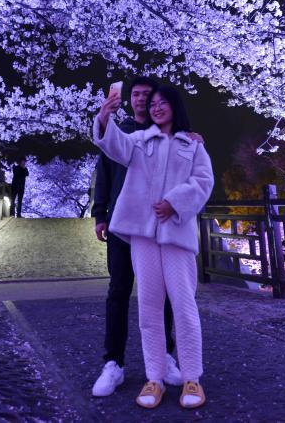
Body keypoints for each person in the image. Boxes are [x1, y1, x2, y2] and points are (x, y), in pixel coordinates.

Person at [93, 84, 214, 410]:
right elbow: (114, 146)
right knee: (148, 307)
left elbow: (204, 182)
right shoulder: (139, 141)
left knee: (183, 305)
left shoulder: (192, 145)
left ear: (175, 107)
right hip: (143, 236)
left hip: (176, 235)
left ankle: (192, 377)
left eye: (163, 102)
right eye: (153, 103)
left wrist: (175, 202)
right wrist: (104, 118)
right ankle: (155, 377)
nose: (156, 107)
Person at [90, 77, 180, 398]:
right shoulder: (121, 133)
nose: (141, 99)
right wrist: (100, 213)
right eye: (136, 95)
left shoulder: (167, 133)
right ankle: (113, 363)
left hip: (155, 225)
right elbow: (104, 171)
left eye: (147, 95)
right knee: (118, 291)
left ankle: (164, 357)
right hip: (121, 222)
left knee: (161, 293)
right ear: (129, 100)